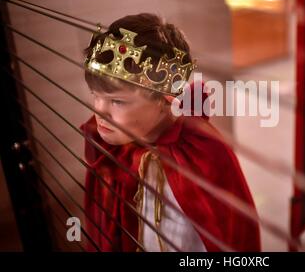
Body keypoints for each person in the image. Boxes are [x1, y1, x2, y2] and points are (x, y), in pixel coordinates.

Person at [80, 13, 261, 252]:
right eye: (95, 95)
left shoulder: (205, 154)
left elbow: (233, 236)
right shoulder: (115, 152)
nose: (99, 112)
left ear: (166, 99)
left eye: (117, 101)